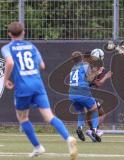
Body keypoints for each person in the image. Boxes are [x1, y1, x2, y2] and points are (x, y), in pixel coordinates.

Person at [1, 21, 77, 159]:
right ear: (23, 32)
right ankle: (68, 138)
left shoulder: (7, 48)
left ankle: (38, 147)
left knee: (22, 117)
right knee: (49, 116)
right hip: (37, 85)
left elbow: (10, 62)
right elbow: (42, 65)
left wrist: (6, 79)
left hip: (23, 87)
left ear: (9, 34)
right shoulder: (31, 46)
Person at [69, 51, 103, 142]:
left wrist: (94, 73)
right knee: (95, 109)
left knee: (81, 111)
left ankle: (79, 128)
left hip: (72, 93)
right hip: (82, 92)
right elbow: (89, 79)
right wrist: (97, 73)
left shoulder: (73, 68)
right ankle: (94, 131)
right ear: (81, 58)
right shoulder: (85, 64)